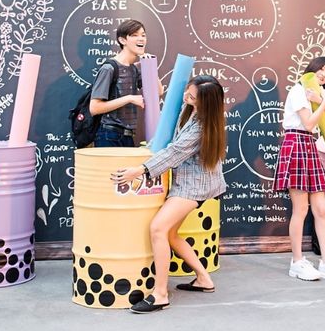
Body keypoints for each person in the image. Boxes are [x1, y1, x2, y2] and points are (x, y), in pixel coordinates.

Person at [111, 75, 228, 313]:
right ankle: (204, 279)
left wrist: (140, 170)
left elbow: (175, 151)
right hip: (193, 183)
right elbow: (172, 140)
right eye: (187, 91)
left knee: (158, 229)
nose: (186, 96)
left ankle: (160, 294)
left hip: (193, 186)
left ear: (205, 102)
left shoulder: (202, 126)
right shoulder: (196, 113)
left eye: (192, 96)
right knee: (172, 234)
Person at [273, 56, 325, 282]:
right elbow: (308, 124)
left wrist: (322, 100)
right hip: (296, 143)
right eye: (322, 69)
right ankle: (297, 262)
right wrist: (324, 102)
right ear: (312, 69)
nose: (324, 74)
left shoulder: (317, 95)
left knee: (319, 207)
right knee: (301, 210)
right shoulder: (299, 90)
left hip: (309, 145)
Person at [89, 19, 147, 147]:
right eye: (135, 35)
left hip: (128, 136)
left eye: (143, 35)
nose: (141, 39)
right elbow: (94, 108)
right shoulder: (109, 68)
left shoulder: (134, 68)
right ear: (122, 40)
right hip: (108, 135)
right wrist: (129, 98)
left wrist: (150, 66)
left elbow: (157, 92)